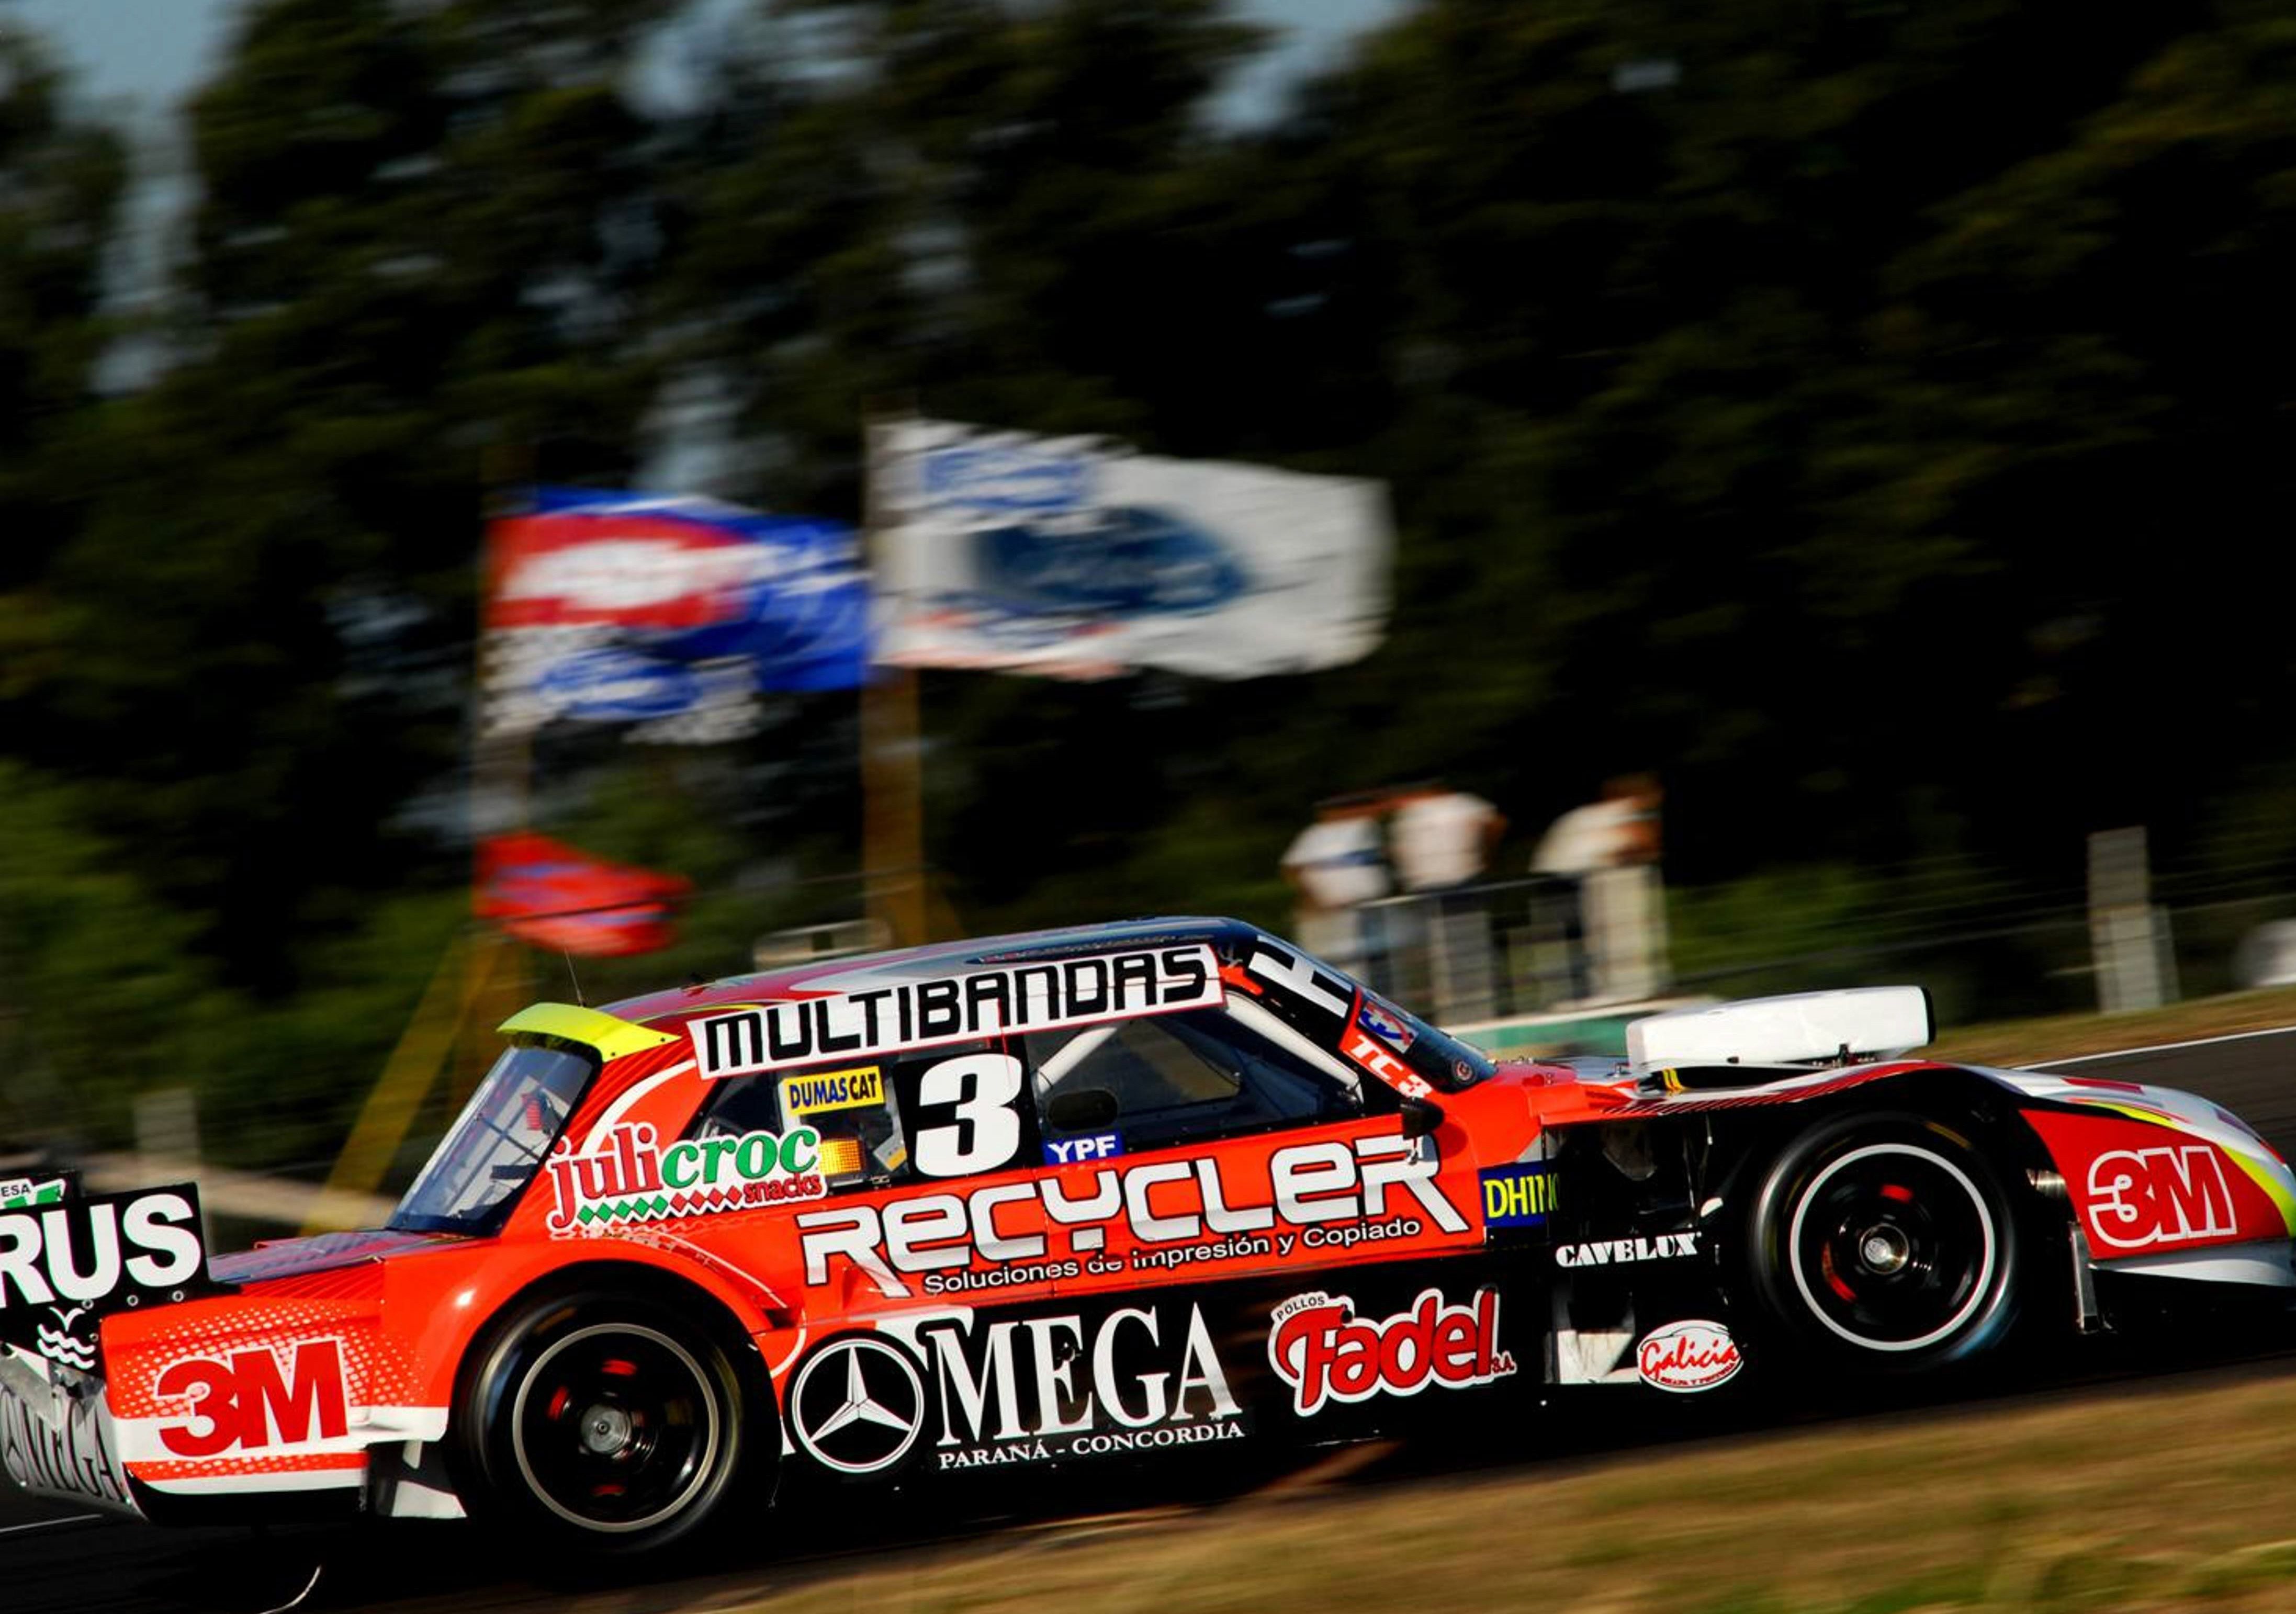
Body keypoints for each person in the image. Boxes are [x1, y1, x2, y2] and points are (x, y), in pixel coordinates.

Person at [1532, 775, 1668, 1003]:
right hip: (1576, 883)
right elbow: (1645, 845)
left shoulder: (1591, 816)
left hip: (1560, 880)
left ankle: (1593, 990)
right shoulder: (1623, 811)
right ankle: (1612, 991)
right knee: (1597, 940)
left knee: (1580, 944)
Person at [1387, 783, 1507, 1020]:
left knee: (1467, 944)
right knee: (1442, 951)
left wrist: (1482, 856)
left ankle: (1480, 1001)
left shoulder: (1457, 804)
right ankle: (1456, 1003)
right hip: (1427, 887)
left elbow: (1495, 823)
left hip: (1458, 881)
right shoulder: (1410, 814)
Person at [1280, 795, 1393, 978]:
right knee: (1340, 962)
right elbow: (1293, 869)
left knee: (1373, 959)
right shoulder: (1317, 834)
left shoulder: (1366, 828)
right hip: (1332, 910)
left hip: (1369, 907)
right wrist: (1312, 898)